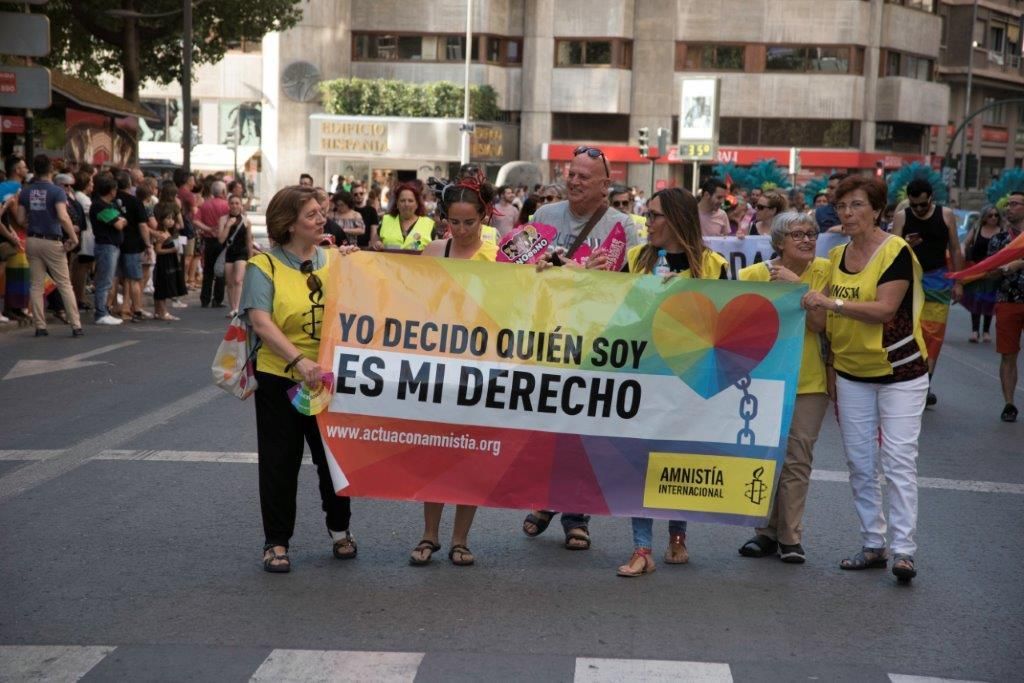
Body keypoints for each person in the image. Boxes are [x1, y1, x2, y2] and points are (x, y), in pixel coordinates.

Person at [802, 175, 928, 584]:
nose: (848, 213)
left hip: (900, 371)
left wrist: (830, 301)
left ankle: (904, 550)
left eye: (857, 205)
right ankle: (873, 543)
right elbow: (822, 321)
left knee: (897, 461)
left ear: (877, 210)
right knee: (859, 462)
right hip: (851, 372)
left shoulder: (896, 252)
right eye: (842, 207)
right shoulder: (836, 257)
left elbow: (885, 310)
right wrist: (803, 299)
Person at [522, 146, 641, 551]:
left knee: (583, 430)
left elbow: (631, 288)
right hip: (548, 337)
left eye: (583, 177)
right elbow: (518, 270)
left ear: (605, 185)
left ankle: (575, 515)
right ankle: (546, 499)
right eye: (570, 173)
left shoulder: (624, 226)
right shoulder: (543, 217)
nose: (573, 181)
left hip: (596, 342)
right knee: (549, 427)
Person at [239, 185, 358, 573]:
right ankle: (276, 542)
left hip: (329, 378)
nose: (321, 218)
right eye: (311, 215)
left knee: (333, 460)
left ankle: (340, 530)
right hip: (281, 378)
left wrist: (360, 267)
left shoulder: (337, 260)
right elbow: (260, 321)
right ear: (289, 225)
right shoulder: (263, 267)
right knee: (279, 462)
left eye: (321, 212)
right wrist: (299, 362)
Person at [612, 187, 728, 577]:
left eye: (656, 215)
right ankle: (641, 548)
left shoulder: (713, 265)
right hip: (644, 376)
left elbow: (723, 327)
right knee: (638, 460)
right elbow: (617, 316)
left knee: (681, 456)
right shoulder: (635, 259)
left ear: (677, 220)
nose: (648, 222)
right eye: (647, 214)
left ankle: (678, 533)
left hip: (691, 378)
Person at [409, 180, 499, 567]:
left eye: (469, 223)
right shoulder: (434, 250)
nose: (461, 231)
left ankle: (460, 539)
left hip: (481, 369)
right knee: (436, 454)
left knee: (470, 455)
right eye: (454, 223)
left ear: (484, 217)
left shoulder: (498, 258)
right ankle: (429, 534)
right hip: (438, 364)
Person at [738, 212, 830, 564]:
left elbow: (820, 324)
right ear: (778, 242)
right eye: (798, 234)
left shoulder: (825, 272)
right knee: (768, 458)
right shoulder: (752, 276)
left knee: (797, 460)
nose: (807, 240)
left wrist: (797, 286)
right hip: (763, 380)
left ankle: (791, 537)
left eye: (812, 233)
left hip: (809, 381)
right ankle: (765, 533)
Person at [891, 178, 963, 407]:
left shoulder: (946, 215)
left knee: (934, 334)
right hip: (908, 279)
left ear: (931, 198)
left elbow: (954, 247)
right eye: (915, 205)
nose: (919, 210)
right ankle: (908, 379)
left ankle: (925, 382)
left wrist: (959, 281)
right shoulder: (902, 216)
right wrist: (905, 243)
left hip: (938, 279)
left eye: (923, 205)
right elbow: (891, 249)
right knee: (909, 331)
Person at [15, 155, 82, 337]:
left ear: (34, 171)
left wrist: (33, 223)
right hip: (52, 241)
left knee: (36, 285)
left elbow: (20, 219)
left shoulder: (26, 192)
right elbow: (62, 215)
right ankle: (76, 325)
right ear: (51, 170)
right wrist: (73, 236)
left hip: (32, 240)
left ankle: (40, 326)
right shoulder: (57, 192)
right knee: (64, 283)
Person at [988, 190, 1024, 422]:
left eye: (1015, 204)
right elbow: (989, 272)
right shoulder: (999, 240)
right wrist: (1000, 270)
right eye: (1008, 203)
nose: (1009, 208)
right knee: (1008, 355)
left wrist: (1018, 264)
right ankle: (1009, 403)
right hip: (1007, 301)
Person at [89, 172, 127, 325]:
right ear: (111, 190)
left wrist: (121, 219)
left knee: (108, 280)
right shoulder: (99, 205)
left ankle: (104, 310)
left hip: (112, 246)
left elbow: (122, 219)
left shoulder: (110, 205)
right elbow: (119, 223)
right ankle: (100, 312)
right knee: (104, 281)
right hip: (106, 246)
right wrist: (121, 220)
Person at [114, 171, 151, 321]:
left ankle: (115, 307)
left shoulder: (111, 200)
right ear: (129, 184)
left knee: (115, 278)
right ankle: (136, 309)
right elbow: (143, 225)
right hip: (133, 244)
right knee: (134, 279)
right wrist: (148, 244)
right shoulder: (135, 202)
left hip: (115, 242)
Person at [961, 207, 1003, 343]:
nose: (994, 218)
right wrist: (962, 252)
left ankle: (986, 331)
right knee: (976, 300)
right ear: (984, 217)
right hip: (976, 270)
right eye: (990, 215)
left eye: (996, 215)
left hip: (993, 273)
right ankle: (975, 331)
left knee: (989, 301)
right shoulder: (977, 229)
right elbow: (965, 243)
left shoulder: (1002, 231)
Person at [218, 194, 253, 317]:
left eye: (237, 203)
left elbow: (249, 241)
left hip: (242, 253)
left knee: (238, 280)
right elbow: (221, 240)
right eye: (232, 203)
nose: (234, 205)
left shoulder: (246, 221)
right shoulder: (223, 219)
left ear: (241, 205)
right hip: (229, 253)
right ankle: (233, 308)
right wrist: (228, 225)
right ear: (228, 205)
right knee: (230, 282)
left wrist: (251, 257)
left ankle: (238, 308)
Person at [197, 180, 230, 307]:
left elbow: (196, 220)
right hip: (222, 241)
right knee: (220, 271)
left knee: (208, 271)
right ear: (223, 192)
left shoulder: (205, 205)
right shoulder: (227, 205)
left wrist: (208, 229)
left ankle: (205, 299)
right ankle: (217, 299)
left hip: (209, 241)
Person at [372, 182, 434, 250]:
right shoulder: (386, 220)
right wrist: (377, 244)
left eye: (410, 201)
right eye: (402, 200)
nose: (406, 204)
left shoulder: (429, 224)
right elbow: (374, 243)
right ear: (397, 204)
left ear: (417, 204)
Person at [151, 206, 185, 321]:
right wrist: (171, 250)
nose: (171, 221)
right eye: (168, 218)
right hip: (163, 263)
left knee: (162, 287)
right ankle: (163, 312)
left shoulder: (169, 232)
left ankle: (157, 311)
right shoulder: (161, 233)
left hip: (170, 261)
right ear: (162, 220)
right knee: (162, 287)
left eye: (172, 218)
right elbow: (158, 250)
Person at [349, 182, 379, 248]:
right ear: (352, 196)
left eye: (361, 193)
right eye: (355, 194)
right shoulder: (349, 210)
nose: (359, 196)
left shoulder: (371, 210)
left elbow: (374, 232)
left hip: (366, 247)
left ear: (364, 194)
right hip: (350, 247)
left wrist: (372, 246)